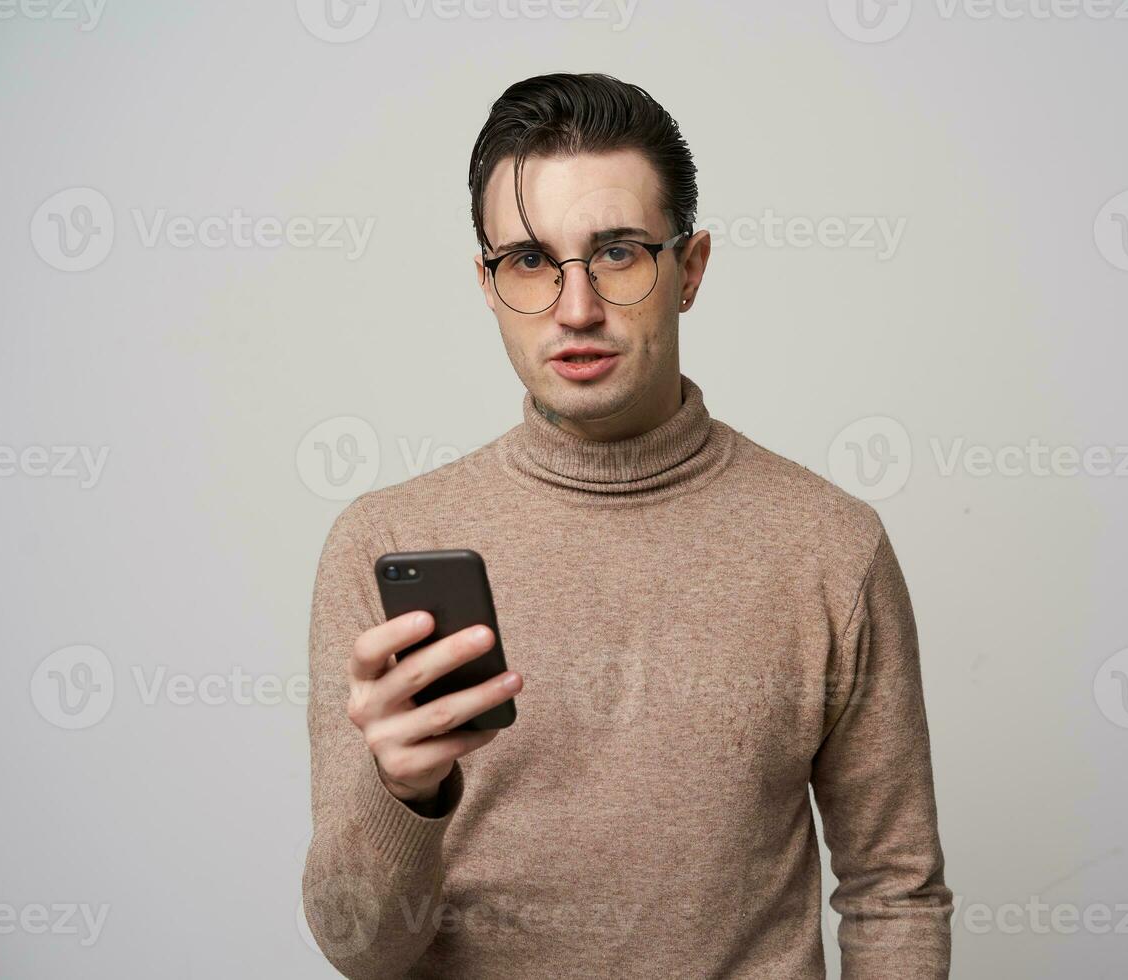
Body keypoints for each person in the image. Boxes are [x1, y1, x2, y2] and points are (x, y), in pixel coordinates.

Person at [302, 71, 952, 979]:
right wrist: (401, 794)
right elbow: (357, 950)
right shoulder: (379, 544)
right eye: (529, 260)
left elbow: (894, 895)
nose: (576, 308)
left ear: (689, 270)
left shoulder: (829, 547)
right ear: (487, 285)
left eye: (616, 253)